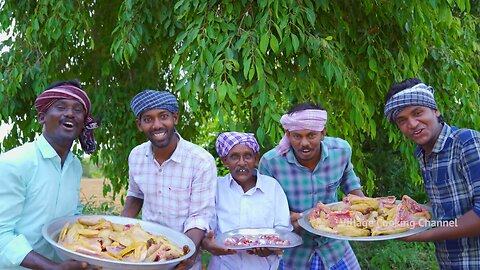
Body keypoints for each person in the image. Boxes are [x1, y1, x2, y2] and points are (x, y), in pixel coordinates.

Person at [0, 80, 100, 270]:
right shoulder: (15, 162)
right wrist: (52, 268)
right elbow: (1, 235)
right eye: (60, 107)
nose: (70, 113)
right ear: (41, 117)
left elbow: (71, 216)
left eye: (78, 110)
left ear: (83, 123)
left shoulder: (74, 166)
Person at [384, 78, 480, 269]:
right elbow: (445, 206)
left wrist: (424, 234)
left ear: (435, 110)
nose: (411, 124)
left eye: (417, 112)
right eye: (402, 120)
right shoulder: (423, 154)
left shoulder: (466, 143)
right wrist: (408, 212)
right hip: (450, 262)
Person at [258, 102, 364, 270]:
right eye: (297, 136)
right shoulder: (271, 163)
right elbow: (265, 208)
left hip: (335, 248)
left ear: (322, 133)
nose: (304, 143)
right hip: (295, 253)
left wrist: (365, 207)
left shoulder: (341, 151)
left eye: (311, 135)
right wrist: (291, 219)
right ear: (288, 134)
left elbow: (349, 182)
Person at [121, 89, 217, 270]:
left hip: (183, 255)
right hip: (144, 254)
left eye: (163, 116)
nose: (157, 125)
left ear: (175, 118)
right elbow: (135, 194)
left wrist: (186, 254)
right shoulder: (136, 156)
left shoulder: (200, 161)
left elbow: (199, 217)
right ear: (139, 125)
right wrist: (118, 231)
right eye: (148, 119)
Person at [202, 132, 293, 270]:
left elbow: (283, 229)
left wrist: (271, 247)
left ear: (256, 159)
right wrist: (209, 243)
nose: (242, 162)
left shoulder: (272, 187)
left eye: (248, 156)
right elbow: (208, 227)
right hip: (224, 265)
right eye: (234, 157)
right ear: (224, 161)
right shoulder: (216, 187)